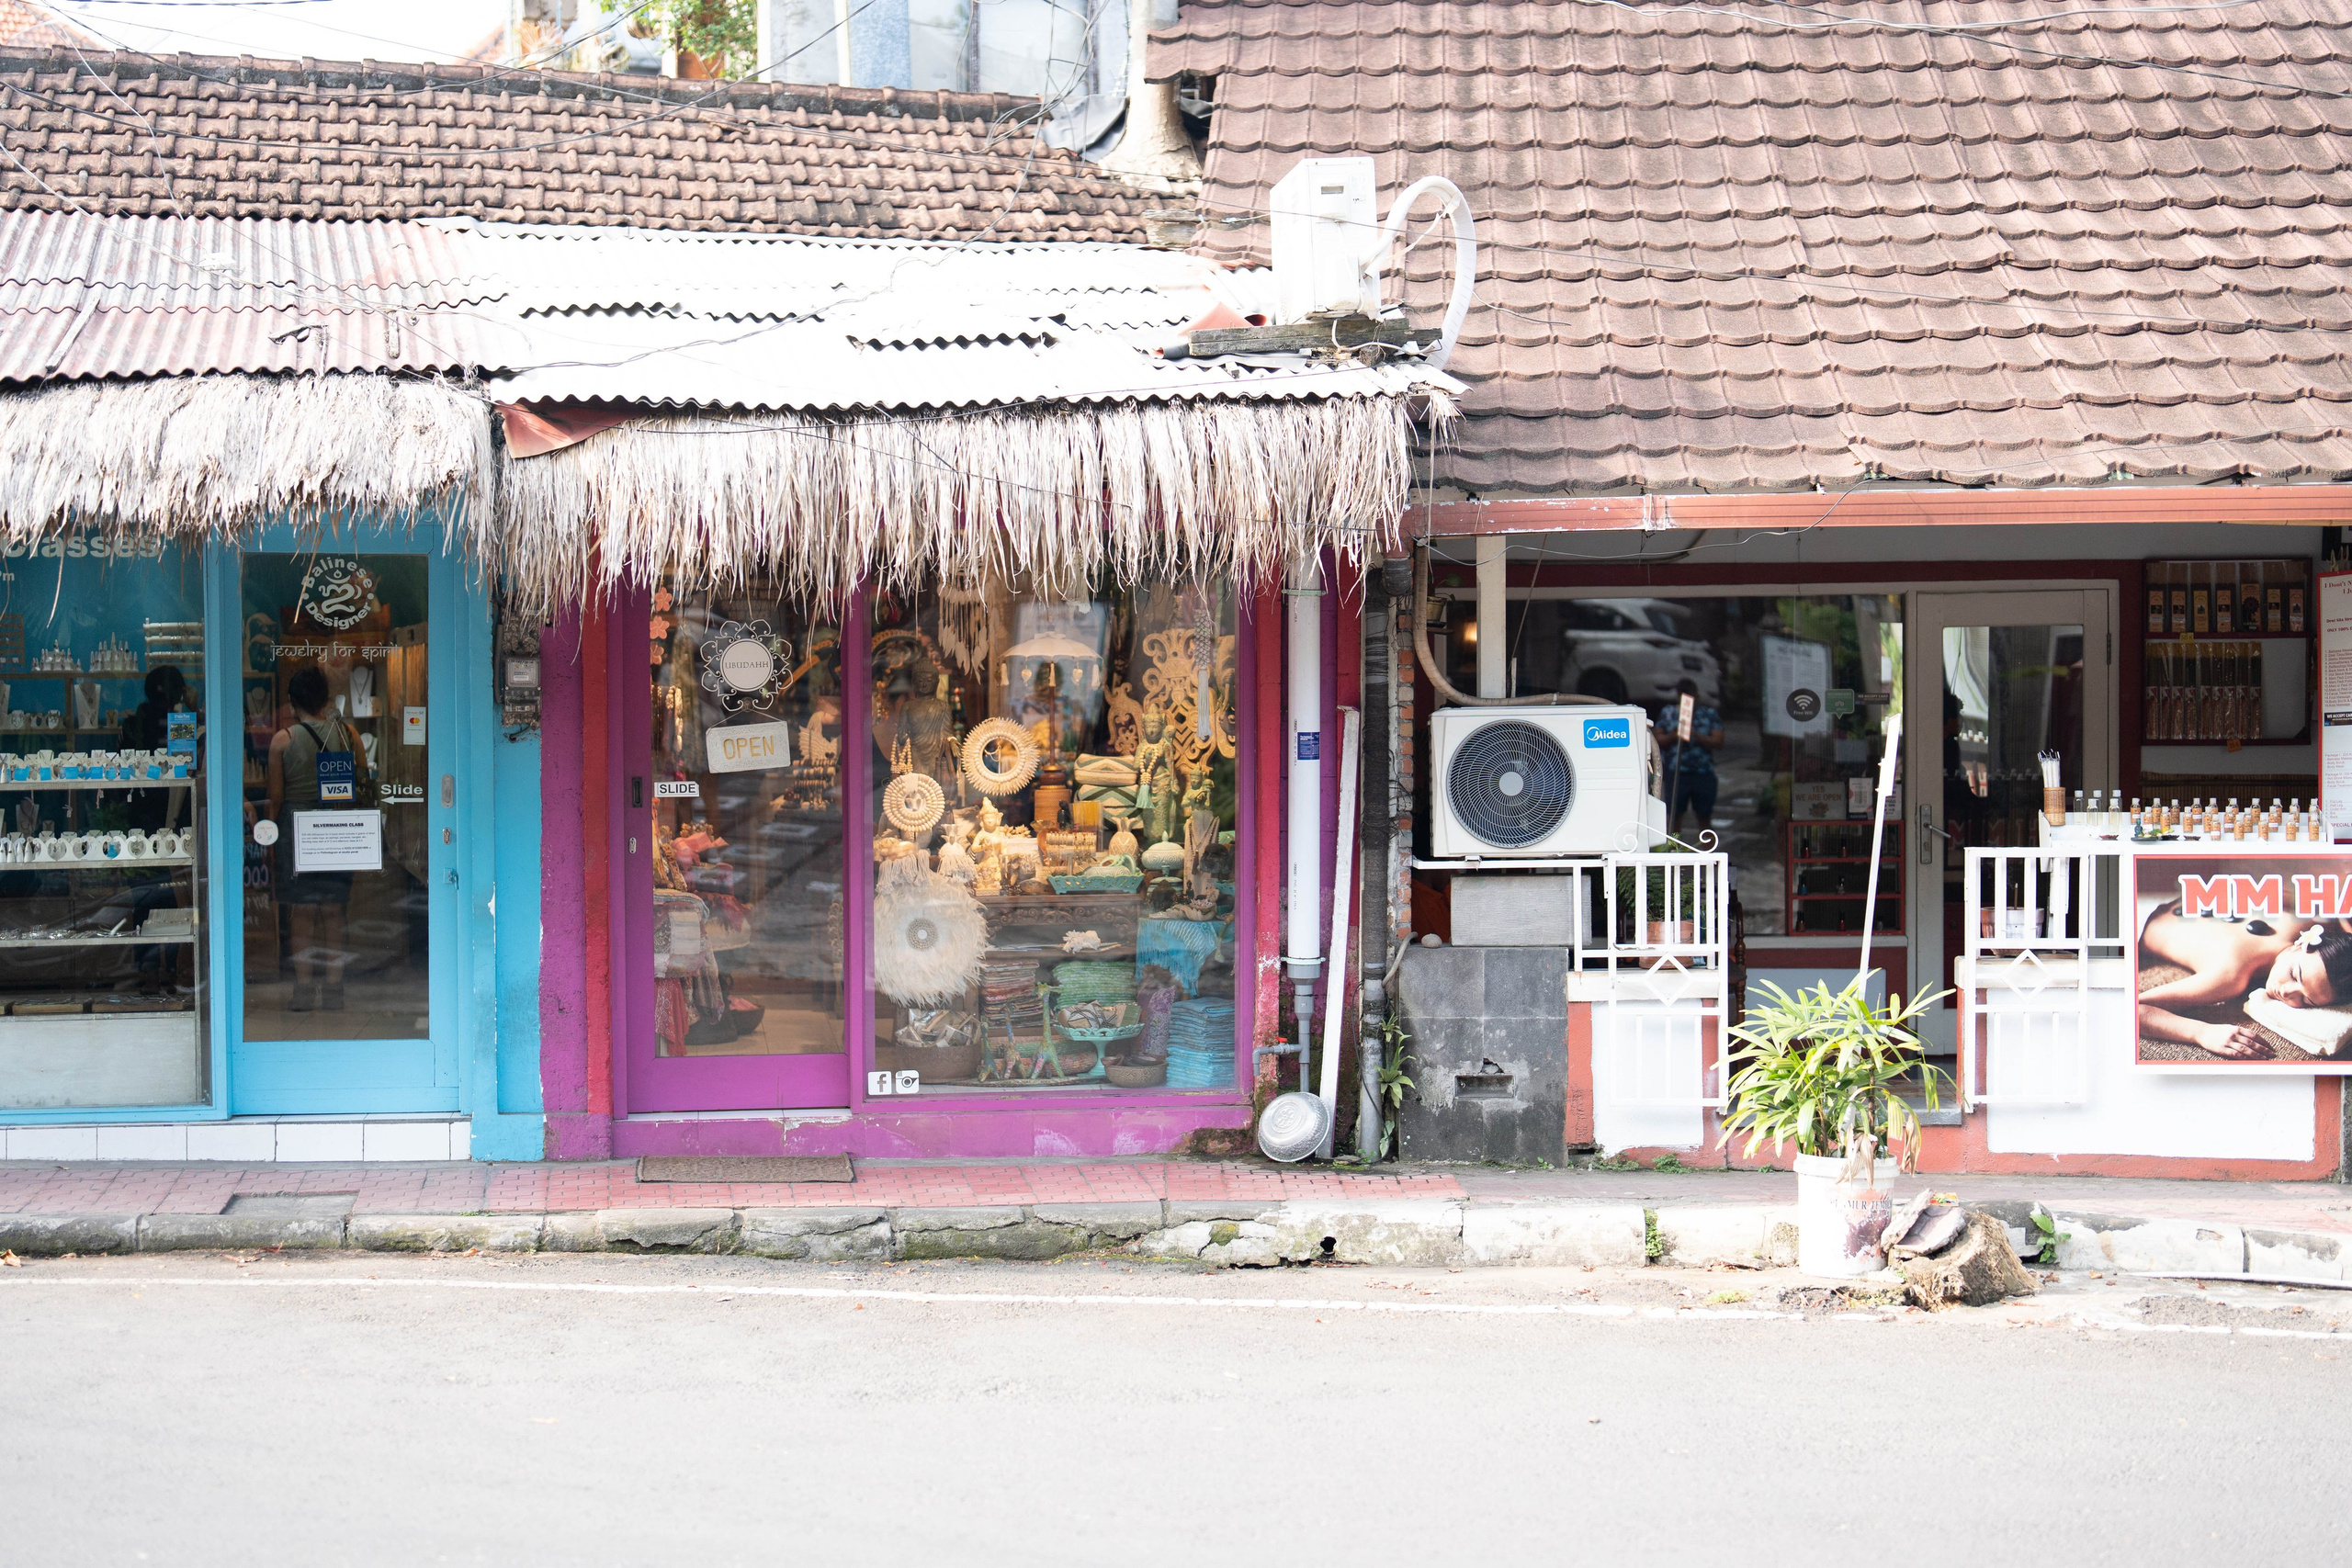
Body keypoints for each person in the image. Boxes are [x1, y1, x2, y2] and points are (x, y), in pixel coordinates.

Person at [266, 664, 368, 1014]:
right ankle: (335, 988)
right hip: (337, 829)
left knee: (302, 913)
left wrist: (268, 832)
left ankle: (304, 989)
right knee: (334, 910)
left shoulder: (283, 740)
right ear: (325, 700)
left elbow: (275, 798)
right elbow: (362, 782)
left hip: (296, 831)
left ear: (293, 703)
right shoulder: (349, 735)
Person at [2136, 902, 2352, 1058]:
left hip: (2163, 898)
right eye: (2295, 975)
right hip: (2134, 922)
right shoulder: (2230, 977)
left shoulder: (2302, 918)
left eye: (2307, 1001)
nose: (2288, 992)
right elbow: (2136, 1009)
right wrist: (2201, 1032)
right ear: (2299, 945)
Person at [1651, 677, 1723, 833]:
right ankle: (1675, 852)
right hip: (1676, 771)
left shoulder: (1708, 714)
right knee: (1674, 817)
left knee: (1704, 817)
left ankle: (1707, 855)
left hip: (1702, 772)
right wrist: (1675, 734)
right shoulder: (1669, 713)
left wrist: (1696, 735)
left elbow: (1718, 741)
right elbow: (1657, 741)